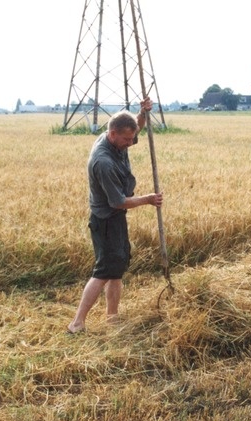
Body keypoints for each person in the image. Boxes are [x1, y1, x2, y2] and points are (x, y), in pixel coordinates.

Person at [67, 98, 163, 334]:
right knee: (103, 272)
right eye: (126, 140)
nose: (131, 143)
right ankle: (77, 323)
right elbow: (118, 202)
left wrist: (142, 113)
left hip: (115, 219)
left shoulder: (119, 139)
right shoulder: (103, 162)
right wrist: (148, 199)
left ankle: (112, 318)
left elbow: (135, 126)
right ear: (112, 135)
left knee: (116, 269)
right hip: (106, 220)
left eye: (132, 138)